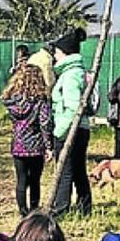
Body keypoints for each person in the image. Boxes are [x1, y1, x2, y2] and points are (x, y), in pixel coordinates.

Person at [49, 28, 92, 218]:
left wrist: (59, 132)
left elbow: (73, 107)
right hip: (80, 128)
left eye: (56, 52)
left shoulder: (71, 75)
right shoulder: (75, 72)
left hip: (70, 130)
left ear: (64, 53)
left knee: (65, 171)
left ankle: (61, 210)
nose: (54, 55)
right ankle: (85, 207)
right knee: (77, 169)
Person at [1, 64, 54, 216]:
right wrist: (48, 146)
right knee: (35, 180)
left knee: (21, 180)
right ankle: (34, 210)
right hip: (36, 145)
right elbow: (45, 122)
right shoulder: (40, 99)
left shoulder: (11, 101)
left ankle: (22, 211)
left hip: (18, 144)